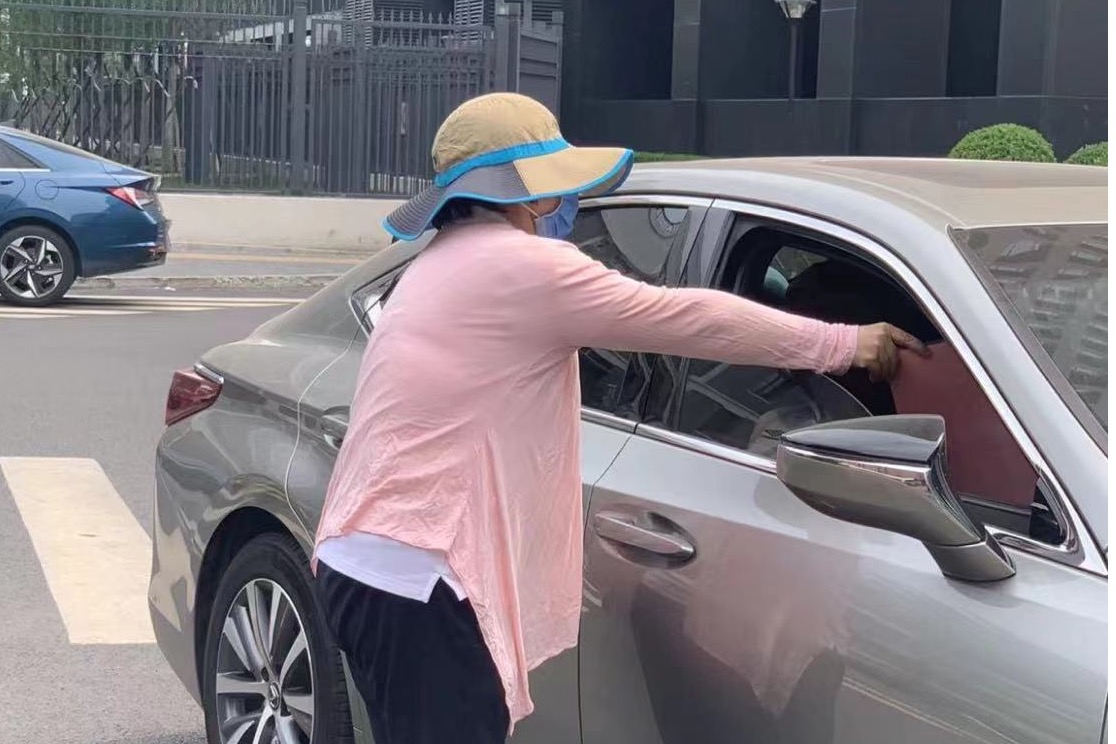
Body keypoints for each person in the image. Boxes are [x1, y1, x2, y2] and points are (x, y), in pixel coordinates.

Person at [312, 91, 929, 744]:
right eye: (555, 186)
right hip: (420, 577)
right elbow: (685, 318)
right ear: (526, 194)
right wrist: (844, 344)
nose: (565, 203)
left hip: (368, 567)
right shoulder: (522, 267)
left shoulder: (439, 264)